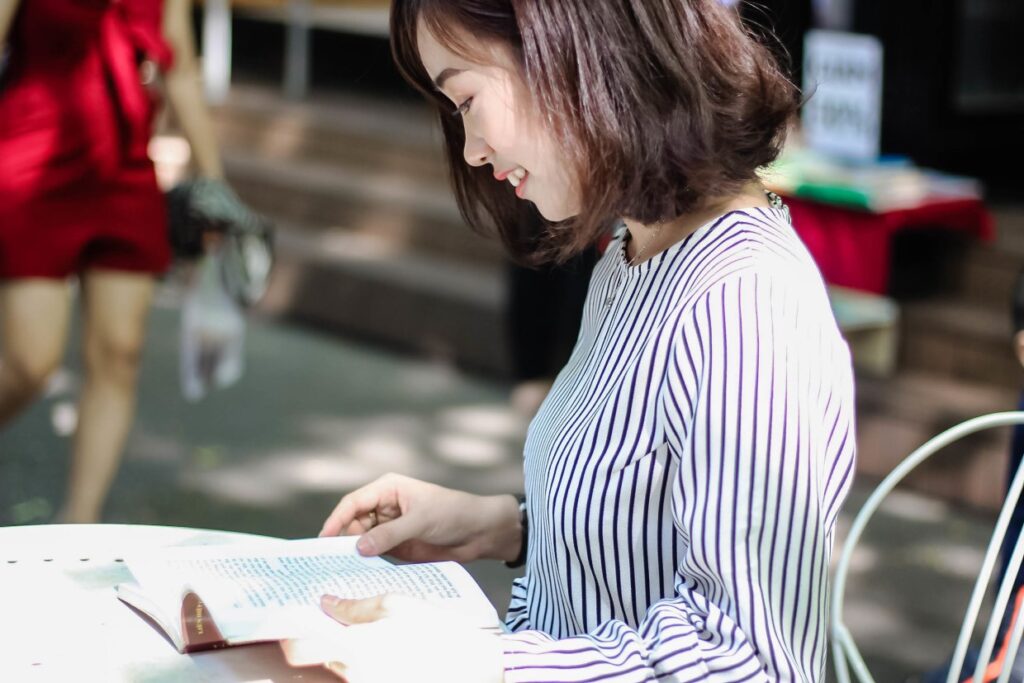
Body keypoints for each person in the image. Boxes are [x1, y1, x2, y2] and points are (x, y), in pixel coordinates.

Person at [316, 1, 857, 681]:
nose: (472, 149)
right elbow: (650, 532)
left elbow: (742, 658)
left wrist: (457, 659)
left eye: (467, 99)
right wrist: (506, 525)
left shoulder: (743, 300)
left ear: (570, 51)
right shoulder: (635, 252)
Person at [0, 0, 225, 523]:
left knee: (120, 354)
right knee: (31, 363)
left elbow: (182, 70)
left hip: (124, 168)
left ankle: (78, 523)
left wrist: (215, 184)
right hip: (34, 158)